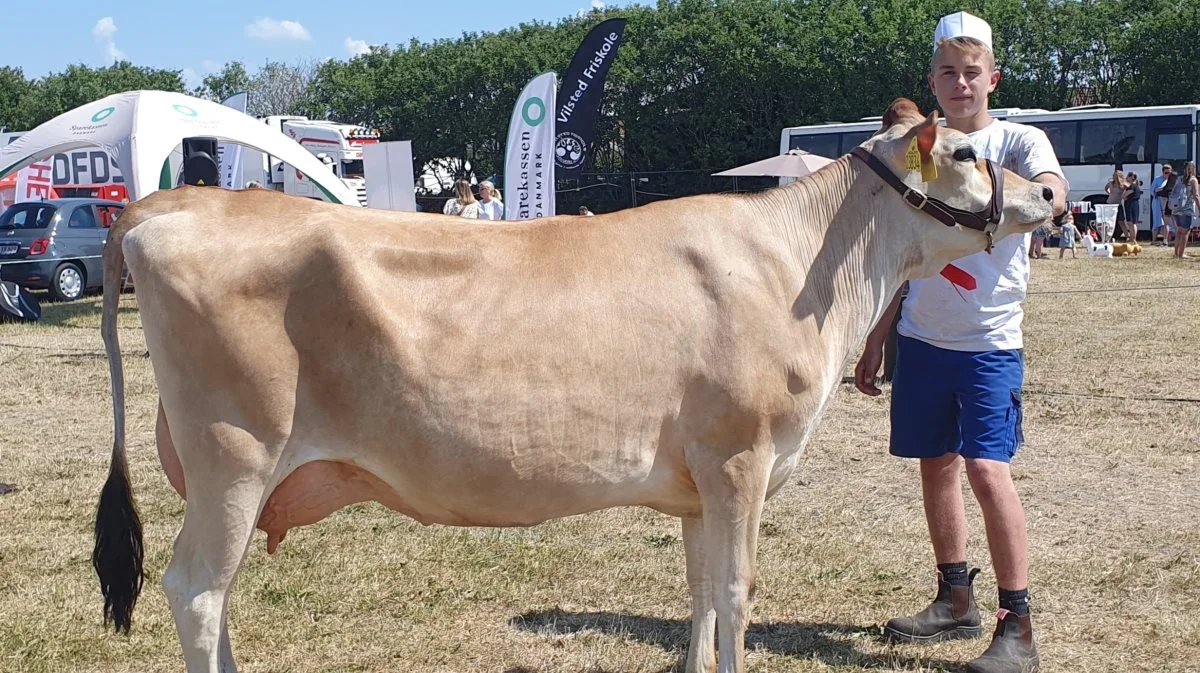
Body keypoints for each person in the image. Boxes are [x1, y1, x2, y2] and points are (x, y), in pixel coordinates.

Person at [853, 11, 1067, 673]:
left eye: (971, 72)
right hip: (921, 337)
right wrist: (875, 338)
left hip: (990, 342)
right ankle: (954, 595)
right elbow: (901, 245)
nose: (960, 82)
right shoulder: (924, 148)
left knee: (986, 470)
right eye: (948, 72)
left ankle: (1018, 625)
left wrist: (1041, 198)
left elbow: (1053, 193)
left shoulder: (1020, 140)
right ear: (933, 80)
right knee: (936, 464)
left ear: (992, 77)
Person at [1171, 161, 1198, 259]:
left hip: (1176, 208)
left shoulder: (1179, 178)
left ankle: (1176, 253)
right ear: (1193, 168)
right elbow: (1196, 195)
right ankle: (1181, 254)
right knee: (1185, 232)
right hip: (1187, 209)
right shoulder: (1193, 180)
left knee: (1178, 231)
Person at [1123, 172, 1142, 242]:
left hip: (1131, 205)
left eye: (1127, 176)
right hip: (1133, 204)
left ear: (1131, 178)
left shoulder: (1132, 186)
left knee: (1131, 223)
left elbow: (1124, 196)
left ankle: (1133, 238)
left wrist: (1124, 196)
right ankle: (1132, 238)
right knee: (1132, 222)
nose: (1126, 178)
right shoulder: (1135, 186)